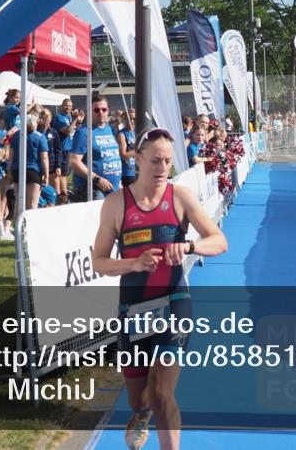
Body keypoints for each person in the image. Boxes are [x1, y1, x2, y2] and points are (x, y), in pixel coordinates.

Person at [92, 127, 227, 450]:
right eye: (155, 161)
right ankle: (141, 414)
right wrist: (133, 264)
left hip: (174, 303)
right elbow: (98, 261)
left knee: (163, 391)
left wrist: (191, 247)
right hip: (133, 307)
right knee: (141, 397)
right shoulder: (116, 204)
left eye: (167, 161)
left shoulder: (179, 197)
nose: (162, 168)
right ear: (136, 159)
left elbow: (219, 241)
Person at [70, 94, 122, 202]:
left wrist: (118, 181)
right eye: (96, 110)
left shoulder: (109, 128)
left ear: (108, 111)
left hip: (114, 188)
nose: (101, 113)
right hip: (93, 189)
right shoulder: (83, 133)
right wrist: (96, 179)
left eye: (104, 109)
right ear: (90, 112)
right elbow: (74, 162)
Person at [9, 114, 50, 210]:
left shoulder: (16, 135)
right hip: (33, 171)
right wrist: (46, 176)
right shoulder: (40, 137)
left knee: (19, 203)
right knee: (32, 204)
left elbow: (11, 156)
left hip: (17, 170)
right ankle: (30, 225)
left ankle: (17, 224)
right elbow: (44, 159)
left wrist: (9, 172)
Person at [52, 99, 84, 205]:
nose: (68, 108)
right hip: (61, 148)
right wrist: (75, 119)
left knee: (66, 173)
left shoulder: (69, 117)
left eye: (70, 106)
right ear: (61, 106)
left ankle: (64, 195)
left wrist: (79, 120)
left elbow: (76, 129)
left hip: (69, 148)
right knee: (61, 173)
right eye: (66, 106)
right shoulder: (58, 117)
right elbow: (67, 131)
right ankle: (63, 196)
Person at [118, 109, 138, 186]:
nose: (132, 121)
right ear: (124, 119)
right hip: (128, 173)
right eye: (129, 119)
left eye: (134, 119)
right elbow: (123, 156)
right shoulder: (122, 134)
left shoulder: (137, 132)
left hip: (139, 171)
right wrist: (137, 149)